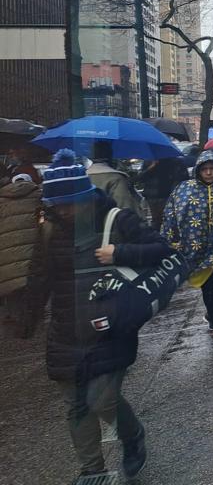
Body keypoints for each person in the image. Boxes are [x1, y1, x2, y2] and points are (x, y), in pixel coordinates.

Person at [30, 149, 170, 482]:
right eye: (56, 205)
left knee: (103, 399)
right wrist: (24, 319)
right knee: (77, 405)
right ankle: (91, 470)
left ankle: (132, 435)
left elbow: (162, 250)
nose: (63, 212)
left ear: (84, 196)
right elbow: (39, 275)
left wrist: (120, 252)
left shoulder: (117, 219)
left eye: (68, 204)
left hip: (110, 327)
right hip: (65, 330)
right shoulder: (50, 227)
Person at [161, 151, 213, 343]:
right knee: (210, 290)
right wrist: (170, 242)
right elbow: (171, 216)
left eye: (212, 169)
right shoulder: (185, 190)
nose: (209, 173)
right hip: (198, 253)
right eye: (205, 169)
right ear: (198, 171)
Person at [0, 172, 43, 337]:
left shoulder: (2, 199)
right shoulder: (39, 196)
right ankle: (32, 322)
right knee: (32, 288)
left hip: (7, 256)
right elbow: (43, 222)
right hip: (33, 253)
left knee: (12, 290)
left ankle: (18, 323)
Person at [86, 141, 145, 217]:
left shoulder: (82, 177)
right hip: (109, 224)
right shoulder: (116, 178)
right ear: (110, 155)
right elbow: (125, 206)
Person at [135, 156, 189, 231]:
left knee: (167, 218)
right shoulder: (149, 161)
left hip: (167, 195)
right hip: (152, 196)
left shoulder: (175, 161)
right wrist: (151, 167)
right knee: (156, 219)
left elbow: (182, 178)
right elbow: (141, 178)